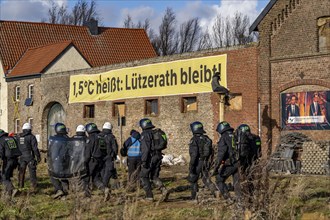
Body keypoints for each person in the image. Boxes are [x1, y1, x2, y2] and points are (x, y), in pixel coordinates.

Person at [139, 118, 169, 202]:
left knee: (143, 176)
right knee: (154, 176)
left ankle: (149, 197)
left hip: (150, 158)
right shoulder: (156, 133)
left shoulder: (145, 134)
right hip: (158, 156)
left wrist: (144, 161)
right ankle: (163, 190)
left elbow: (145, 149)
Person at [212, 121, 241, 203]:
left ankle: (228, 199)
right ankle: (240, 200)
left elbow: (221, 154)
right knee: (237, 182)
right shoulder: (235, 135)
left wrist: (216, 168)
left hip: (230, 163)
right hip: (239, 162)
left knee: (219, 179)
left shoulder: (224, 137)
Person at [188, 121, 216, 201]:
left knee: (193, 179)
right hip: (206, 162)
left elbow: (194, 155)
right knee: (205, 178)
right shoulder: (207, 138)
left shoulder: (194, 140)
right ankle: (216, 192)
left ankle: (194, 198)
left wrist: (191, 167)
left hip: (198, 162)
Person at [85, 123, 110, 201]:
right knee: (95, 178)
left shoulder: (90, 138)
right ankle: (104, 189)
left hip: (92, 160)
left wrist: (85, 161)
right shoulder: (101, 137)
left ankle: (87, 196)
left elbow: (88, 152)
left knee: (86, 177)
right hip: (101, 160)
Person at [17, 123, 41, 192]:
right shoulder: (31, 137)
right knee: (32, 172)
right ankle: (34, 187)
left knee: (21, 172)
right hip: (30, 157)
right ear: (30, 129)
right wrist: (38, 157)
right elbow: (35, 148)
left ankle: (20, 186)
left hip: (21, 157)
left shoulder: (19, 136)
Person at [48, 123, 70, 199]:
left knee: (52, 175)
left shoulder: (54, 139)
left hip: (57, 160)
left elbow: (52, 151)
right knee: (64, 175)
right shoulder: (68, 138)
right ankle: (66, 192)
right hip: (67, 161)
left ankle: (59, 189)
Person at [0, 129, 21, 198]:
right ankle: (8, 193)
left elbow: (1, 152)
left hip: (8, 160)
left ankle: (12, 189)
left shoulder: (1, 140)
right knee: (7, 176)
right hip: (16, 160)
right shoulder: (11, 138)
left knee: (4, 176)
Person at [99, 122, 119, 188]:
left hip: (100, 156)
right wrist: (114, 155)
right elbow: (115, 147)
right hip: (109, 156)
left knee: (102, 170)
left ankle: (103, 185)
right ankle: (105, 185)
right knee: (109, 171)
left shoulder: (99, 135)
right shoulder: (111, 137)